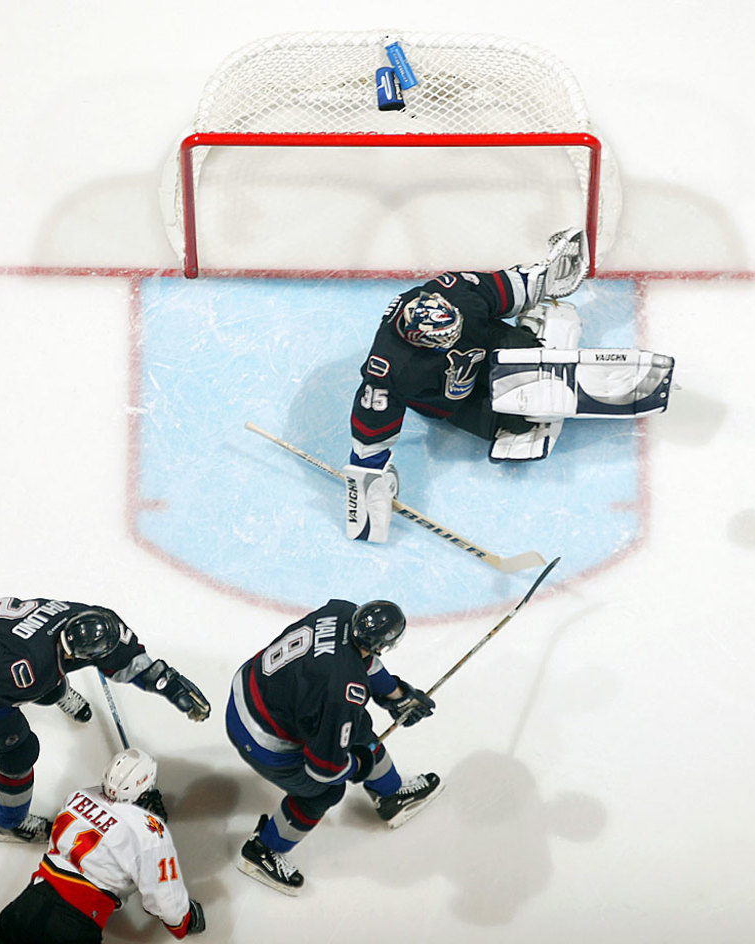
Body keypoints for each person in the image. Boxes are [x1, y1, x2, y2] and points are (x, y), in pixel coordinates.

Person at [344, 227, 675, 542]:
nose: (452, 336)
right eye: (445, 338)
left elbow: (503, 287)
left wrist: (545, 277)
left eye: (454, 328)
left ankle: (529, 339)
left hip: (488, 346)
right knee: (516, 422)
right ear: (420, 340)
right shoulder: (390, 367)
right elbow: (371, 428)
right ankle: (519, 378)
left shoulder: (454, 293)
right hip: (450, 400)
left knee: (526, 352)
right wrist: (371, 478)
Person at [0, 598, 211, 842]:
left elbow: (129, 660)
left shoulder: (97, 619)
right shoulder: (22, 667)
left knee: (48, 683)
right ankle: (7, 823)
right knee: (19, 752)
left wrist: (168, 683)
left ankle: (56, 692)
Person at [226, 598, 441, 895]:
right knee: (324, 791)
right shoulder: (342, 694)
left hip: (249, 690)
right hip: (259, 737)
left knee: (359, 728)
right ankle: (262, 851)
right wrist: (361, 764)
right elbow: (325, 769)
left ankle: (391, 794)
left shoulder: (341, 611)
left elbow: (362, 659)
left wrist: (396, 693)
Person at [0, 748, 205, 943]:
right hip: (74, 923)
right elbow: (165, 901)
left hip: (29, 903)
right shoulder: (150, 832)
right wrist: (183, 922)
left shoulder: (78, 796)